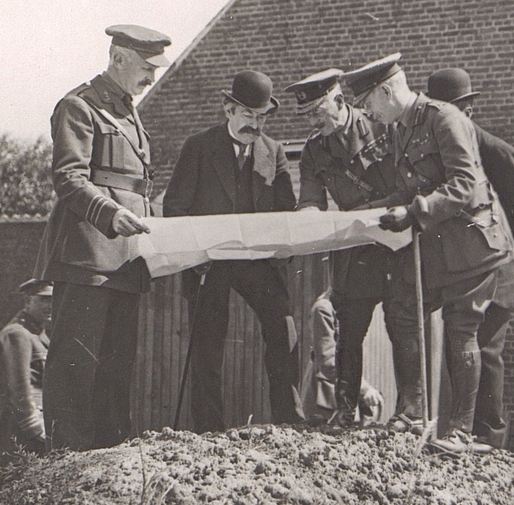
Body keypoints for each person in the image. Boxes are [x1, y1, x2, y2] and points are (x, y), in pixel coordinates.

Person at [342, 53, 514, 454]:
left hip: (474, 248)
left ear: (386, 91)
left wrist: (415, 212)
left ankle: (460, 431)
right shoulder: (402, 127)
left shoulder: (443, 118)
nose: (368, 113)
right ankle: (412, 412)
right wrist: (373, 212)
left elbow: (466, 186)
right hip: (440, 250)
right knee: (401, 308)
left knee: (461, 329)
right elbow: (411, 185)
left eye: (368, 104)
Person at [34, 24, 170, 451]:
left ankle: (110, 457)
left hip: (126, 258)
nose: (153, 78)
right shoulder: (79, 106)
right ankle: (68, 457)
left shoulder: (128, 110)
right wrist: (111, 213)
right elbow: (69, 179)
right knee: (76, 365)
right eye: (147, 68)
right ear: (119, 59)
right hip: (88, 254)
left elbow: (137, 185)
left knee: (116, 364)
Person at [163, 70, 303, 432]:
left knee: (283, 328)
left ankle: (289, 420)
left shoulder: (274, 152)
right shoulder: (198, 147)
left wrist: (281, 252)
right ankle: (208, 428)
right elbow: (175, 207)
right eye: (247, 116)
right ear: (228, 109)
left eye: (261, 118)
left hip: (258, 261)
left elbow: (287, 211)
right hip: (211, 261)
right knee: (208, 341)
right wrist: (195, 258)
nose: (254, 125)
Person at [426, 68, 514, 449]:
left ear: (468, 112)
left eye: (452, 112)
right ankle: (461, 433)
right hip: (473, 266)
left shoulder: (492, 150)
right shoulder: (444, 149)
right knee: (463, 342)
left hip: (504, 264)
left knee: (486, 347)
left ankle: (488, 441)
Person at [284, 68, 398, 428]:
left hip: (398, 240)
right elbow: (310, 201)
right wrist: (308, 217)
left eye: (319, 111)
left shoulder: (382, 127)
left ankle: (410, 411)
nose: (315, 121)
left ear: (339, 100)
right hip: (356, 248)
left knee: (404, 324)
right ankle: (345, 410)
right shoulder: (314, 151)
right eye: (309, 116)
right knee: (350, 330)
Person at [0, 279, 52, 468]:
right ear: (27, 302)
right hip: (17, 431)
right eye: (43, 299)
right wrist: (36, 430)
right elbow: (19, 389)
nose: (50, 305)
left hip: (31, 428)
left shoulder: (37, 335)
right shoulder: (17, 334)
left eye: (53, 299)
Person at [301, 290, 385, 426]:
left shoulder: (352, 307)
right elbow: (328, 360)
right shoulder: (323, 308)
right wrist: (364, 389)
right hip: (325, 401)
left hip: (345, 400)